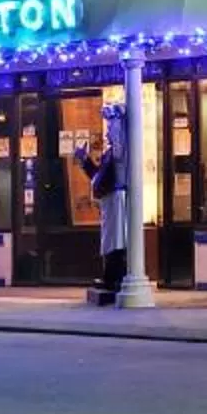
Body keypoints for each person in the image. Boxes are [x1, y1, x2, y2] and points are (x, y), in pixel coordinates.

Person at [78, 107, 127, 304]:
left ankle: (114, 277)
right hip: (109, 200)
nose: (107, 132)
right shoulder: (109, 154)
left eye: (110, 127)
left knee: (115, 240)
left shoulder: (118, 152)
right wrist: (85, 161)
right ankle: (110, 276)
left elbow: (103, 175)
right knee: (110, 240)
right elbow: (98, 176)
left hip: (115, 199)